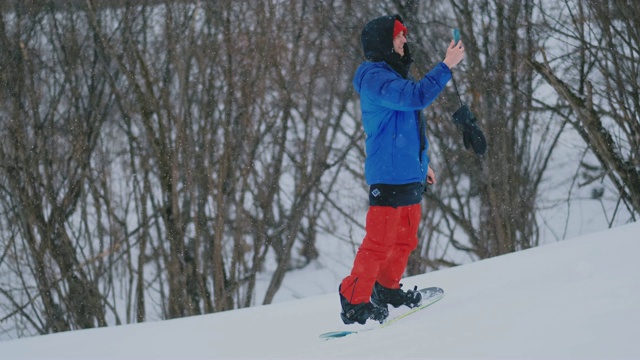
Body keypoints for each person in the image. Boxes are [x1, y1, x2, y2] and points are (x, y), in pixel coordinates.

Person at [339, 14, 465, 325]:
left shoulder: (394, 76)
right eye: (398, 37)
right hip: (387, 175)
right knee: (379, 243)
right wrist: (446, 65)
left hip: (409, 174)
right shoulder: (374, 78)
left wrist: (424, 165)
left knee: (405, 241)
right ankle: (353, 301)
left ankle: (387, 290)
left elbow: (409, 129)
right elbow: (416, 97)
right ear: (384, 42)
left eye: (404, 35)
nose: (404, 41)